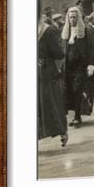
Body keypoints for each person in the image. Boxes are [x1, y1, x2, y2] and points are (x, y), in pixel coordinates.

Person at [61, 6, 94, 128]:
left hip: (80, 66)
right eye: (70, 17)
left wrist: (91, 64)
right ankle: (75, 115)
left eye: (74, 17)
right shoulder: (66, 31)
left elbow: (92, 49)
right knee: (70, 91)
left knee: (78, 90)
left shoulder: (86, 30)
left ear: (79, 18)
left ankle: (78, 116)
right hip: (68, 67)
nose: (72, 20)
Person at [38, 16, 68, 147]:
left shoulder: (47, 31)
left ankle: (62, 132)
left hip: (47, 74)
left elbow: (59, 53)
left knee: (51, 103)